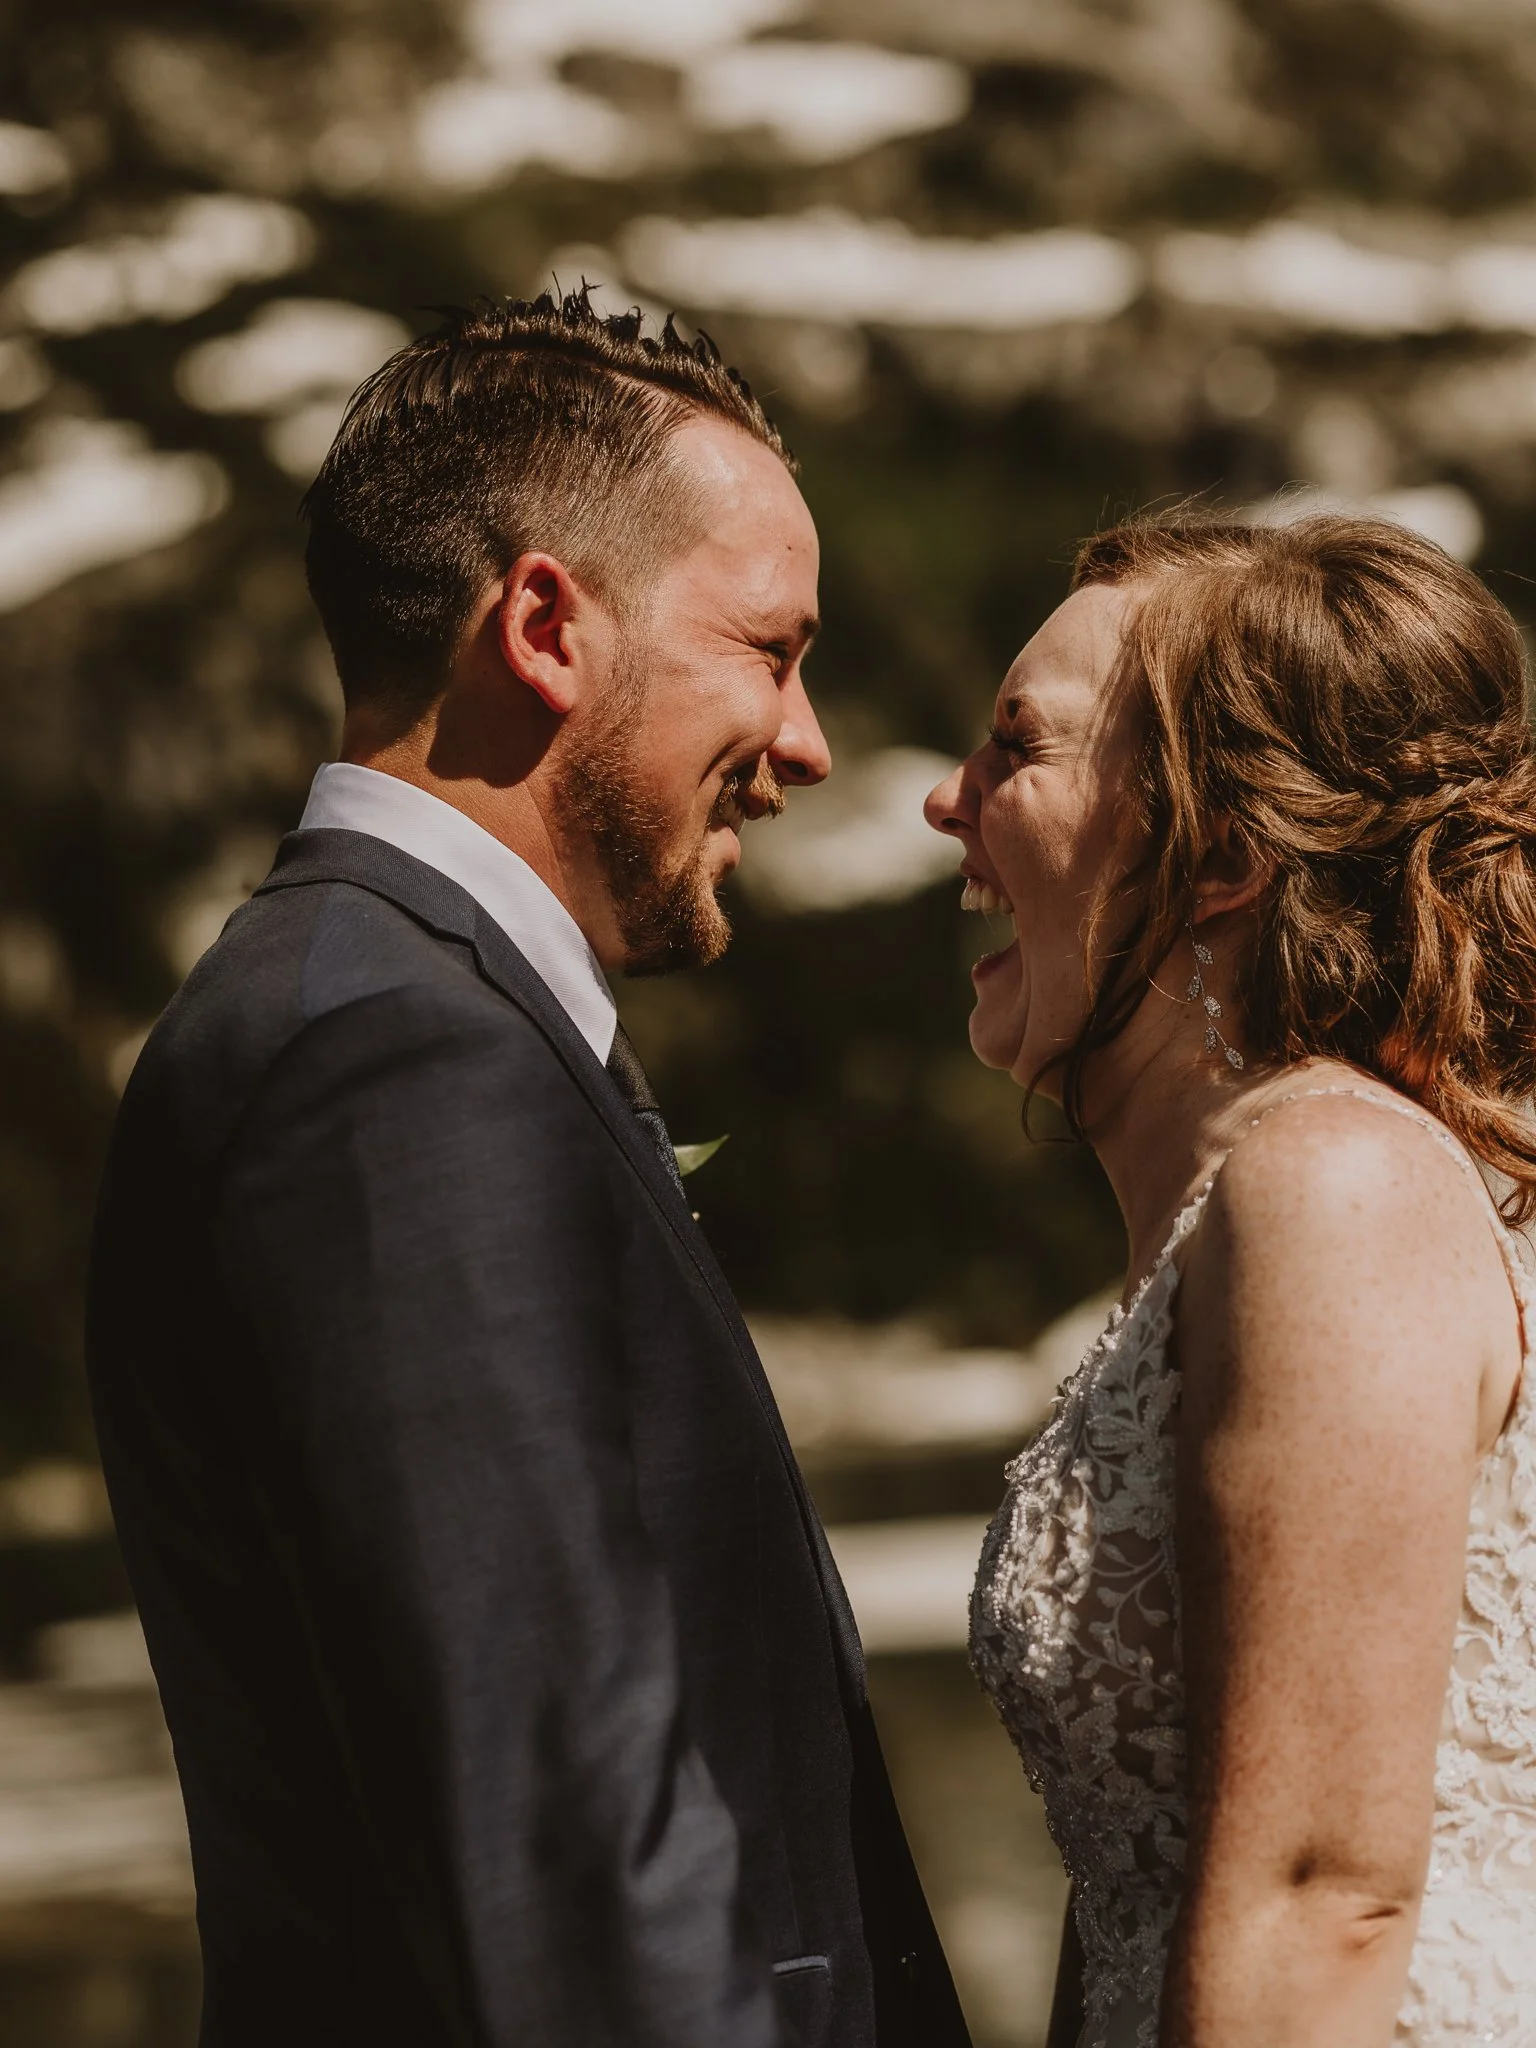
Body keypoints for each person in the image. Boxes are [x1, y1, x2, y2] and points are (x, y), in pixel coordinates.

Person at [87, 293, 970, 2048]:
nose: (804, 745)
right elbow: (563, 1835)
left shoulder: (392, 1009)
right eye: (770, 651)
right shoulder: (390, 1059)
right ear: (550, 625)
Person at [925, 511, 1536, 2048]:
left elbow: (1325, 1898)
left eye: (1019, 750)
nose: (950, 801)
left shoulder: (1334, 1184)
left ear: (1219, 858)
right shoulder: (1232, 1215)